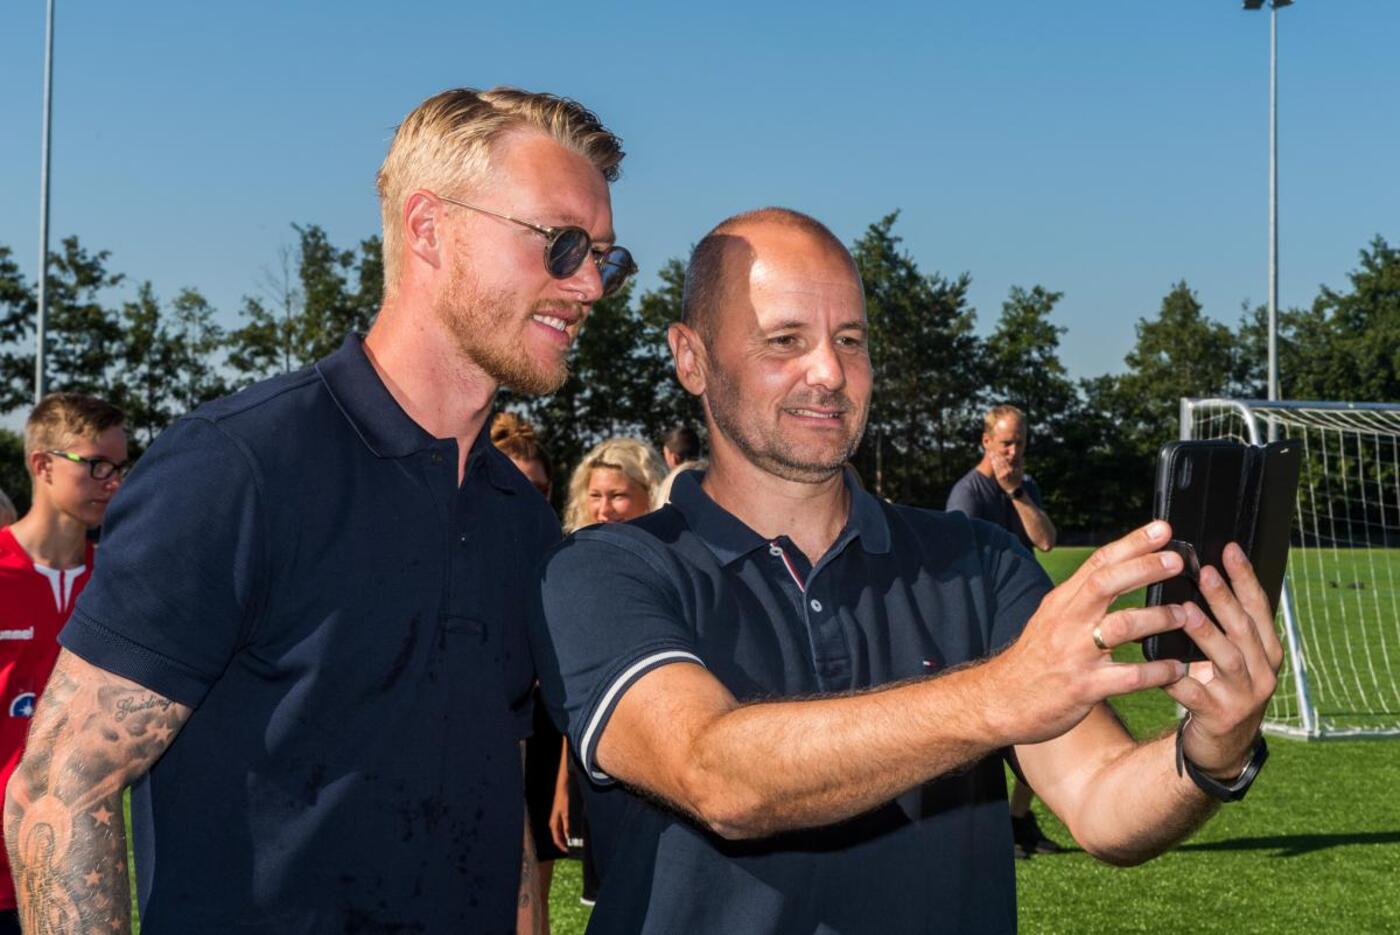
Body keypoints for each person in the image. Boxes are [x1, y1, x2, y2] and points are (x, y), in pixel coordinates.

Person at [530, 207, 1280, 934]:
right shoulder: (603, 570)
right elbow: (716, 774)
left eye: (850, 340)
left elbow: (1099, 797)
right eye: (785, 339)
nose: (829, 371)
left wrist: (1208, 752)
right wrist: (998, 694)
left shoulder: (978, 562)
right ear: (690, 358)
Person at [5, 87, 633, 934]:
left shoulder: (521, 520)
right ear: (428, 228)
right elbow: (59, 790)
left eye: (604, 257)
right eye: (561, 243)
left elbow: (494, 804)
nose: (589, 285)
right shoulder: (236, 468)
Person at [0, 393, 127, 935]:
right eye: (96, 465)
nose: (113, 483)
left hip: (73, 867)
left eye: (119, 467)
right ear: (43, 464)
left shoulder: (119, 583)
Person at [555, 437, 666, 906]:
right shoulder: (574, 567)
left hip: (662, 763)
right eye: (596, 495)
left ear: (650, 494)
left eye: (618, 495)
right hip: (600, 767)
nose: (604, 509)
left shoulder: (676, 566)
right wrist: (562, 786)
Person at [947, 404, 1061, 858]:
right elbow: (958, 571)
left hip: (1029, 624)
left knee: (1043, 719)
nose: (1014, 452)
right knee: (994, 732)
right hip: (987, 633)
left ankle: (1019, 819)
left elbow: (1046, 540)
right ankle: (994, 830)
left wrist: (1017, 493)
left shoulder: (1025, 488)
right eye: (1007, 443)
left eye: (1021, 444)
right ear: (986, 442)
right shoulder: (967, 494)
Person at [490, 410, 565, 930]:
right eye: (513, 487)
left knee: (532, 887)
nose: (527, 501)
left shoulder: (557, 555)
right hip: (468, 733)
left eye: (538, 489)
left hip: (538, 730)